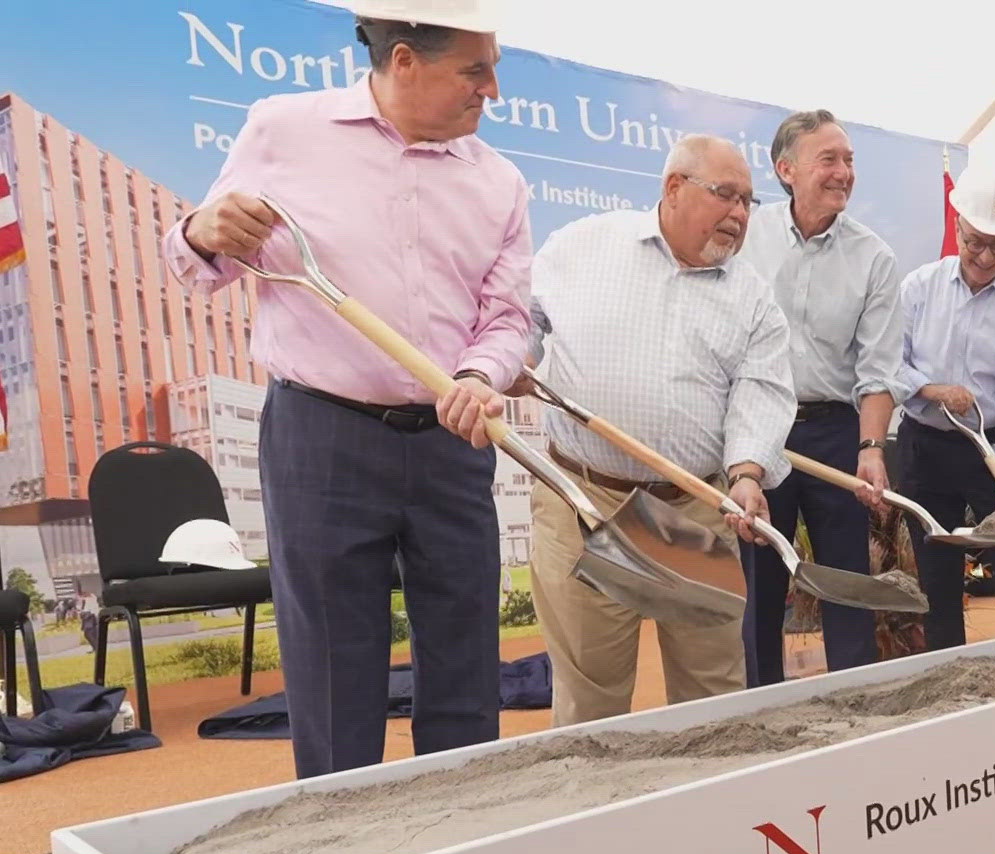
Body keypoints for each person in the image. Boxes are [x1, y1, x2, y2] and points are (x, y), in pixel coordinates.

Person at [163, 1, 529, 778]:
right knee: (332, 668)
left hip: (453, 442)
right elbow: (202, 260)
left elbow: (505, 320)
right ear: (404, 61)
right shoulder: (281, 129)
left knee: (466, 657)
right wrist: (201, 229)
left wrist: (477, 375)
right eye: (475, 69)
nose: (493, 88)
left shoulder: (501, 183)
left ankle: (466, 838)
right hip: (319, 438)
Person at [526, 134, 794, 723]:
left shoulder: (752, 298)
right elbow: (521, 324)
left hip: (693, 510)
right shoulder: (581, 247)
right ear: (674, 188)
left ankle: (715, 815)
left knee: (713, 698)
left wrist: (747, 472)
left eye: (749, 202)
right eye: (726, 196)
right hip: (586, 503)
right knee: (590, 703)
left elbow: (762, 392)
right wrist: (506, 364)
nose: (740, 215)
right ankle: (596, 814)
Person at [737, 108, 903, 685]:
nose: (843, 173)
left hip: (836, 435)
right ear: (786, 169)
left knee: (846, 585)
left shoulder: (874, 257)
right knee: (759, 586)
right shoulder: (745, 239)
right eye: (828, 159)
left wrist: (871, 447)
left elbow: (879, 370)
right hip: (760, 430)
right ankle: (759, 711)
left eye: (849, 161)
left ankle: (855, 710)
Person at [892, 170, 995, 650]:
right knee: (937, 576)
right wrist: (933, 389)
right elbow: (886, 364)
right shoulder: (919, 287)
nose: (985, 258)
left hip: (991, 449)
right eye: (976, 242)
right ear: (958, 227)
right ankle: (948, 674)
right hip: (924, 446)